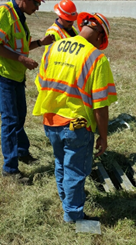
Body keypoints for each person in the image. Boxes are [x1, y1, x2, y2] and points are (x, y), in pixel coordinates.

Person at [32, 12, 117, 223]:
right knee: (75, 172)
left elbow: (40, 84)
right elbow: (100, 105)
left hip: (50, 121)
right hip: (76, 126)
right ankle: (73, 215)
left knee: (61, 164)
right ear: (99, 35)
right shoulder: (96, 58)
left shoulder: (52, 49)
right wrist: (103, 136)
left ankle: (67, 203)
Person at [0, 0, 54, 183]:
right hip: (4, 76)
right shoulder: (6, 14)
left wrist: (40, 43)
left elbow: (19, 47)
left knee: (20, 116)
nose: (38, 6)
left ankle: (22, 152)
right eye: (36, 2)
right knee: (10, 121)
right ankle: (10, 169)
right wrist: (22, 59)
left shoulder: (19, 17)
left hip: (16, 76)